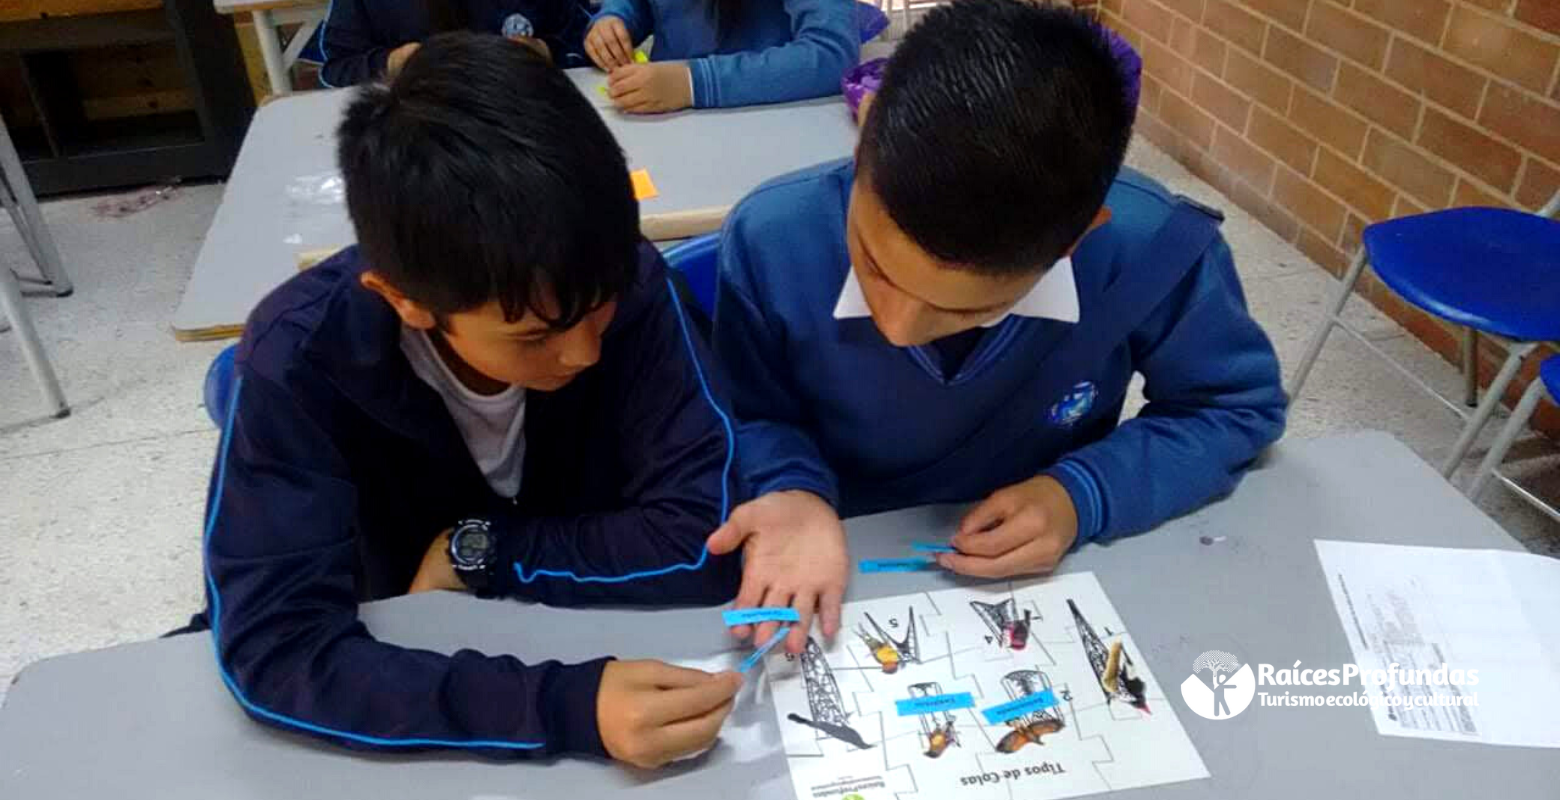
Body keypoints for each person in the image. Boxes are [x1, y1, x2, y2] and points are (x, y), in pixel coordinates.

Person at [198, 33, 743, 769]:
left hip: (582, 625)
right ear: (404, 301)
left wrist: (483, 553)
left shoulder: (632, 281)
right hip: (409, 658)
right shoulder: (299, 359)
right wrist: (561, 706)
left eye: (600, 309)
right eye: (533, 337)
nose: (584, 353)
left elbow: (700, 539)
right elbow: (281, 646)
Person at [707, 0, 1287, 654]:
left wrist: (1082, 494)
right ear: (865, 123)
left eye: (963, 308)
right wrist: (789, 490)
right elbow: (747, 413)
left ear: (1075, 241)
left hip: (1039, 582)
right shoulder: (771, 239)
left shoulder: (1153, 250)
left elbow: (1232, 407)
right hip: (832, 553)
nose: (898, 327)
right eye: (874, 263)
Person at [584, 0, 858, 113]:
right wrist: (614, 18)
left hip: (768, 121)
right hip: (667, 127)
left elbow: (832, 55)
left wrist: (694, 83)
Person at [319, 0, 592, 86]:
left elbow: (583, 41)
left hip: (527, 123)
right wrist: (390, 63)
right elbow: (337, 68)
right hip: (415, 135)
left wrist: (546, 52)